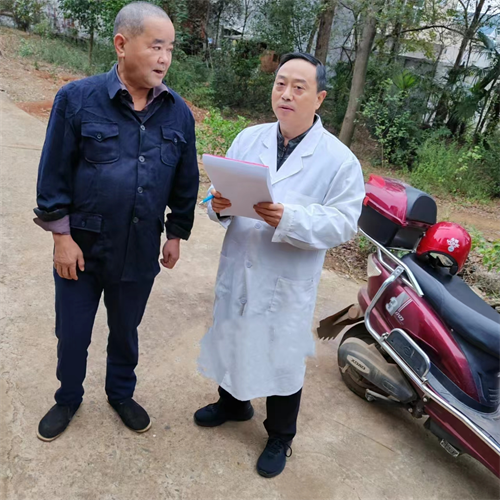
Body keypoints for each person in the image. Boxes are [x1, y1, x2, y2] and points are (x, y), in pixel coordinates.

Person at [34, 2, 199, 441]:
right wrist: (61, 237)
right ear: (122, 45)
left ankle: (120, 393)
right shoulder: (77, 99)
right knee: (73, 332)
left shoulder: (178, 113)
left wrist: (176, 233)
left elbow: (186, 182)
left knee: (126, 330)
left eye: (170, 49)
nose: (164, 58)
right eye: (156, 46)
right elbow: (53, 175)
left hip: (140, 247)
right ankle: (67, 397)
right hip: (82, 247)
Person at [195, 53, 365, 478]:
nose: (286, 94)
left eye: (299, 87)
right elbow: (218, 196)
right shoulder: (248, 138)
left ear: (319, 98)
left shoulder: (339, 160)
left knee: (281, 354)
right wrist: (219, 204)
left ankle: (279, 435)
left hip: (285, 279)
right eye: (280, 84)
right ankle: (233, 404)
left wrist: (289, 218)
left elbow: (344, 223)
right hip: (240, 265)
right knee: (233, 333)